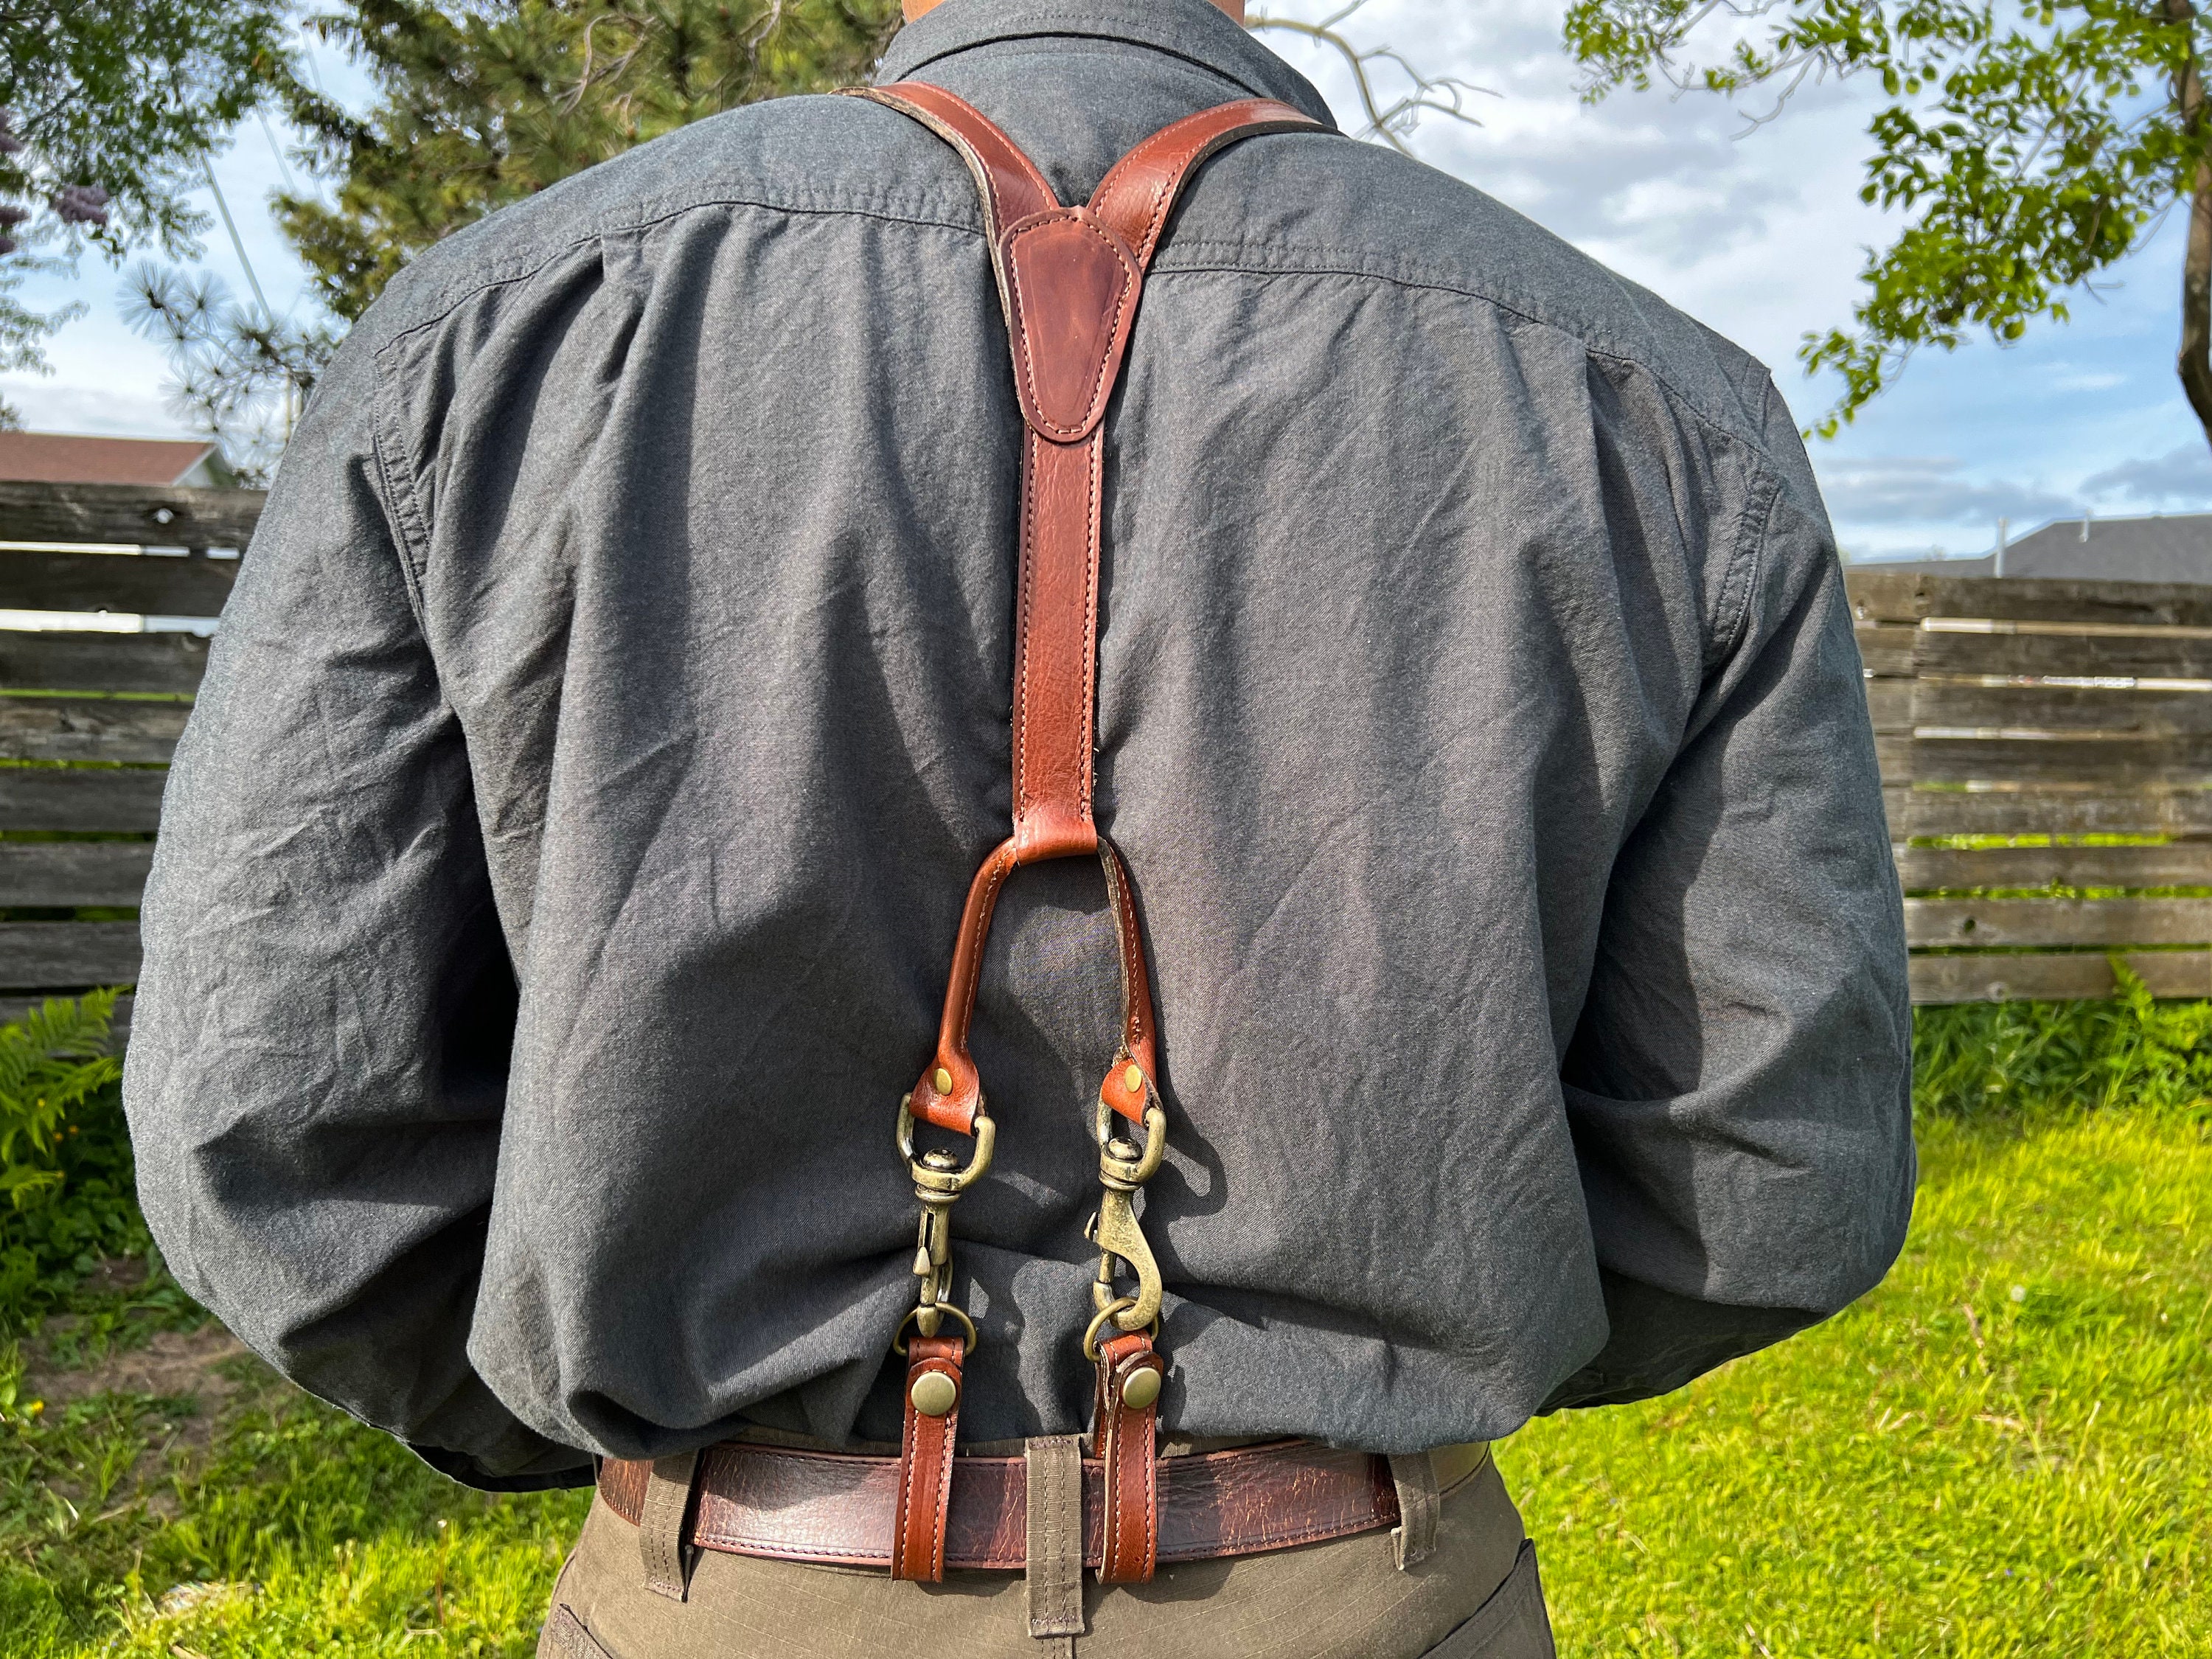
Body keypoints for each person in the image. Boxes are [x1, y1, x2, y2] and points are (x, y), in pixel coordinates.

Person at [122, 0, 1916, 1652]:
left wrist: (655, 1420)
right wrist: (1394, 1379)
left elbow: (273, 1111)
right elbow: (1769, 1173)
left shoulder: (489, 335)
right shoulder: (1655, 403)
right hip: (1362, 1600)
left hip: (736, 1589)